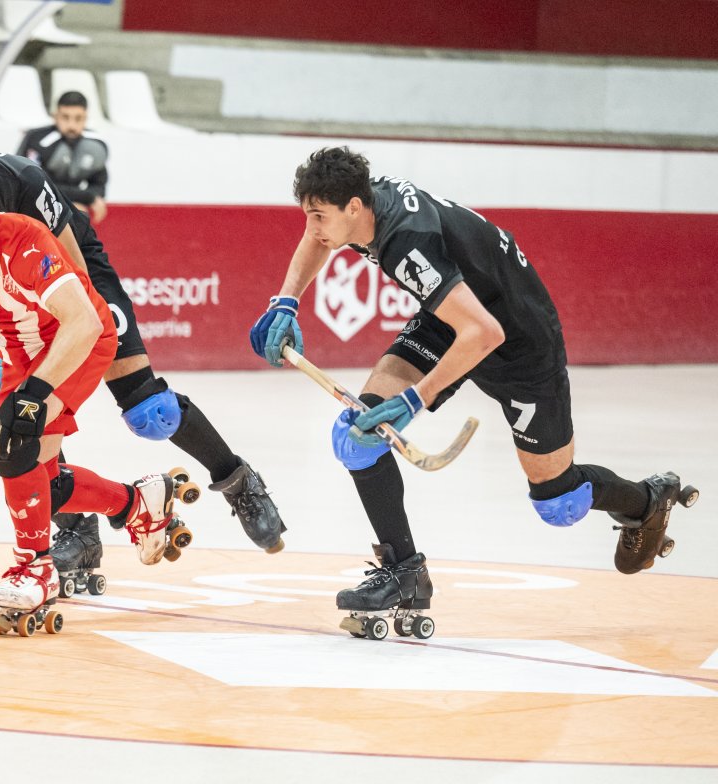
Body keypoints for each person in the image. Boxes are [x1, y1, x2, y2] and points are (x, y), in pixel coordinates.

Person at [250, 146, 698, 639]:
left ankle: (647, 501)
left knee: (558, 502)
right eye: (308, 214)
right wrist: (287, 300)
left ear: (354, 208)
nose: (312, 227)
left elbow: (485, 335)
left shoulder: (405, 242)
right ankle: (404, 572)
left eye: (319, 215)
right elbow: (320, 239)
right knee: (358, 435)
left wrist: (416, 400)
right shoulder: (359, 210)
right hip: (456, 318)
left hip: (519, 338)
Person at [0, 94, 286, 590]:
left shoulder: (20, 181)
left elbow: (74, 279)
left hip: (76, 284)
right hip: (7, 309)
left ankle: (237, 481)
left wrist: (42, 371)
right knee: (19, 438)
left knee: (150, 411)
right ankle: (79, 530)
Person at [0, 166, 195, 630]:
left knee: (14, 447)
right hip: (19, 350)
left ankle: (35, 566)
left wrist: (36, 396)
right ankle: (136, 504)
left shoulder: (22, 241)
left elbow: (82, 321)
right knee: (41, 478)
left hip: (78, 338)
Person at [18, 91, 108, 224]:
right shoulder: (37, 141)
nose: (72, 125)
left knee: (78, 217)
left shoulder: (93, 145)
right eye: (65, 117)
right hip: (31, 207)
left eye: (78, 118)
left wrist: (89, 198)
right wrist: (85, 198)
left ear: (85, 118)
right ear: (55, 117)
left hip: (71, 207)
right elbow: (35, 185)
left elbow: (99, 185)